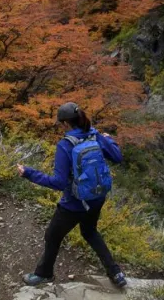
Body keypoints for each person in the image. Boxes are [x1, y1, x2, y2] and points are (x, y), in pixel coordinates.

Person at [17, 102, 127, 288]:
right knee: (90, 232)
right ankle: (115, 272)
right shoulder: (95, 134)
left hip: (74, 203)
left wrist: (28, 172)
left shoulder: (65, 145)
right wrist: (109, 139)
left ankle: (44, 274)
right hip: (96, 198)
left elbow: (59, 183)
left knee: (52, 236)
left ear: (66, 124)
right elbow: (117, 157)